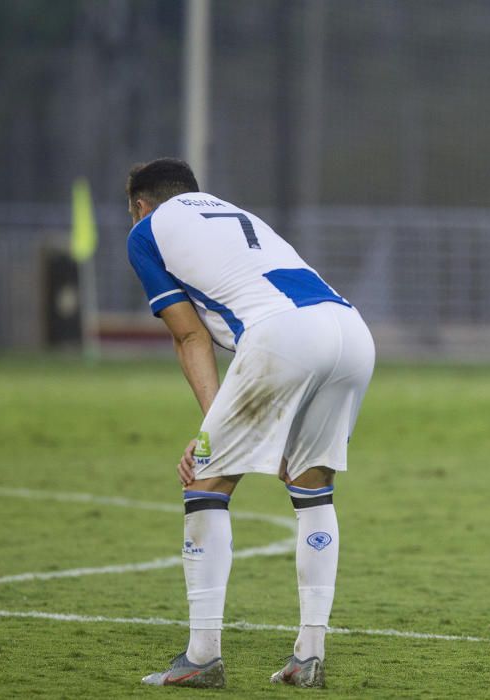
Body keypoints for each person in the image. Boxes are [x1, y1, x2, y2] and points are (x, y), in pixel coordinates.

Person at [126, 158, 375, 688]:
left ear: (140, 206)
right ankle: (308, 655)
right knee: (313, 489)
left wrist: (209, 434)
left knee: (206, 484)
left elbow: (189, 336)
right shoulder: (233, 214)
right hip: (351, 330)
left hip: (283, 335)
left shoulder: (146, 232)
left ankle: (201, 658)